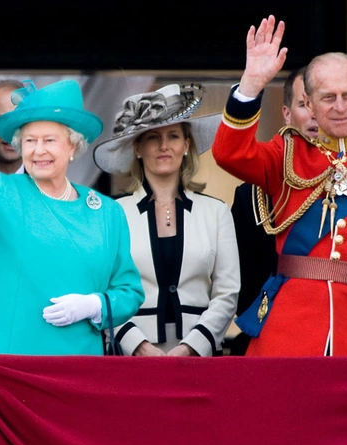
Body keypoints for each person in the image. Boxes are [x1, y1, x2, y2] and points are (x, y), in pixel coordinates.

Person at [211, 16, 347, 356]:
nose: (341, 106)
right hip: (288, 333)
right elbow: (230, 153)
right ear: (310, 104)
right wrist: (251, 86)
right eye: (328, 97)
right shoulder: (287, 155)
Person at [0, 79, 145, 355]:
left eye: (49, 140)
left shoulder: (107, 212)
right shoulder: (0, 191)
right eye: (30, 141)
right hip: (9, 362)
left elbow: (129, 291)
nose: (39, 150)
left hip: (78, 364)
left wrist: (95, 305)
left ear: (72, 146)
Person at [93, 84, 238, 356]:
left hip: (200, 358)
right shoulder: (113, 213)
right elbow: (103, 288)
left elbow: (227, 294)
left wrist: (191, 348)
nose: (163, 146)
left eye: (173, 136)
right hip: (131, 358)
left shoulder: (216, 213)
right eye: (152, 138)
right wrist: (138, 345)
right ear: (137, 147)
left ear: (186, 145)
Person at [229, 67, 318, 355]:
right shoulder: (250, 195)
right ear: (287, 113)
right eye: (304, 104)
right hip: (271, 339)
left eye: (321, 102)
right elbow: (241, 285)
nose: (314, 113)